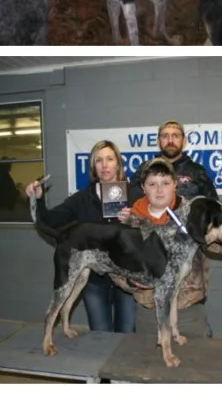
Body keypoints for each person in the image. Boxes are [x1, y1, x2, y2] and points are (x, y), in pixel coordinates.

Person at [26, 140, 138, 334]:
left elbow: (151, 230)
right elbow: (50, 220)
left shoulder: (135, 194)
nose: (104, 165)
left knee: (126, 336)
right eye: (99, 160)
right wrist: (38, 199)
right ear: (93, 166)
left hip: (126, 279)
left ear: (118, 163)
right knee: (100, 335)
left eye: (109, 159)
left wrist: (135, 220)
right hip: (94, 280)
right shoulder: (81, 198)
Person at [126, 121, 219, 342]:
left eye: (175, 135)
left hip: (188, 297)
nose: (170, 140)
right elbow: (129, 211)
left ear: (183, 140)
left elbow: (214, 212)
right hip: (149, 299)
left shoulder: (197, 172)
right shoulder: (143, 170)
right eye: (165, 135)